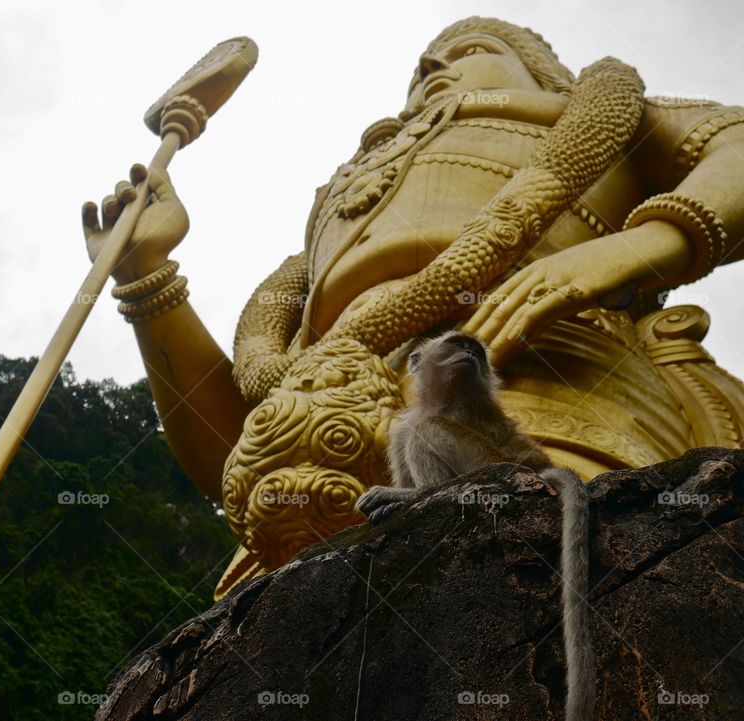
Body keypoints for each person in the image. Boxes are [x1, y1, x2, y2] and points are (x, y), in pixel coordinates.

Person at [83, 17, 744, 596]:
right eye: (420, 67)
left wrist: (641, 244)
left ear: (546, 78)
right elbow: (234, 447)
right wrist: (148, 278)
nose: (430, 66)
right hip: (314, 453)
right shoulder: (333, 213)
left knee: (534, 575)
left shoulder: (599, 113)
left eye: (472, 49)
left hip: (538, 383)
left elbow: (734, 144)